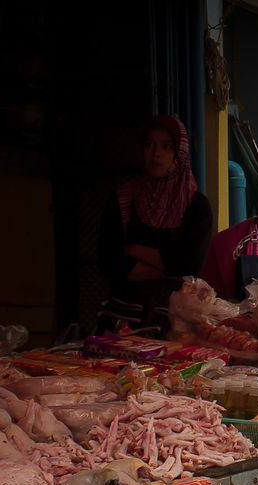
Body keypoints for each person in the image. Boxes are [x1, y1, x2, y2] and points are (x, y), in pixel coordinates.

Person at [98, 115, 214, 332]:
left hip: (175, 327)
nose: (156, 153)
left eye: (166, 146)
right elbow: (109, 263)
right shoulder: (122, 200)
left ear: (179, 152)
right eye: (149, 145)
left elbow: (190, 265)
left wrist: (133, 250)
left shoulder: (196, 206)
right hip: (119, 324)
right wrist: (168, 268)